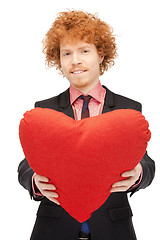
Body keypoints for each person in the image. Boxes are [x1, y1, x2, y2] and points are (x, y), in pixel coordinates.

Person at [18, 10, 155, 240]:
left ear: (101, 55)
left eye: (84, 51)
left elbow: (146, 161)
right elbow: (26, 165)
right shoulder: (44, 109)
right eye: (66, 53)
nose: (75, 60)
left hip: (113, 229)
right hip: (53, 229)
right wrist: (34, 180)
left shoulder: (128, 108)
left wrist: (139, 173)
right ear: (58, 60)